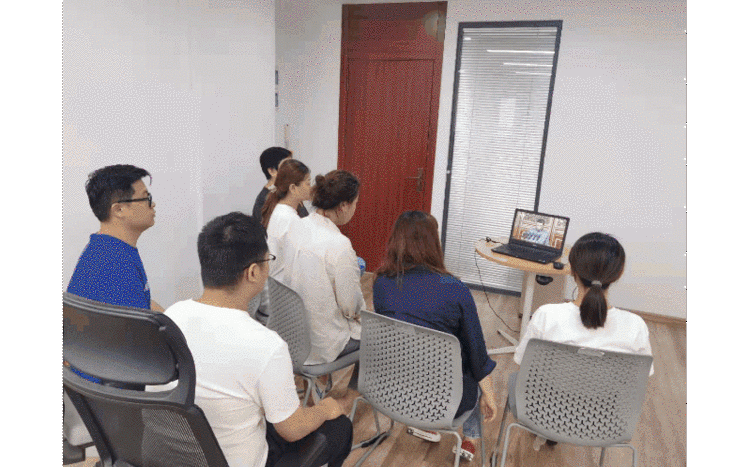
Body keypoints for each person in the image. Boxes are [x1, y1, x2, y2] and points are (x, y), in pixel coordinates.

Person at [162, 212, 353, 467]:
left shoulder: (171, 317)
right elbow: (291, 429)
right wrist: (324, 408)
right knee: (339, 427)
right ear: (253, 272)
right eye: (267, 260)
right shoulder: (266, 346)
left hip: (171, 456)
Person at [372, 211, 497, 460]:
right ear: (433, 243)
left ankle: (428, 425)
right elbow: (477, 354)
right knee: (471, 364)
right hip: (445, 401)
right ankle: (470, 437)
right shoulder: (456, 290)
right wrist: (490, 394)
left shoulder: (381, 283)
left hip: (393, 391)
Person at [512, 232, 653, 449]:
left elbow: (522, 364)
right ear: (619, 273)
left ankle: (550, 432)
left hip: (542, 412)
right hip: (604, 421)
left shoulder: (547, 315)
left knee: (515, 378)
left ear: (572, 270)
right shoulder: (635, 326)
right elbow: (641, 379)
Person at [284, 170, 364, 396]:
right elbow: (350, 307)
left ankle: (317, 387)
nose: (355, 209)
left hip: (291, 334)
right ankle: (347, 400)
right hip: (321, 343)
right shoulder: (339, 245)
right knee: (377, 337)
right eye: (356, 203)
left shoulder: (296, 227)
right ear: (343, 206)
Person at [67, 164, 163, 312]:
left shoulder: (105, 248)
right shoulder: (115, 267)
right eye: (146, 198)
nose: (153, 204)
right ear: (119, 210)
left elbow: (142, 303)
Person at [260, 158, 312, 283]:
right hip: (285, 286)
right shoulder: (290, 219)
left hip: (276, 282)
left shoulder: (279, 210)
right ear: (293, 188)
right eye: (308, 183)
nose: (311, 188)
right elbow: (299, 265)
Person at [252, 147, 308, 222]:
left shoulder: (288, 192)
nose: (293, 170)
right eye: (287, 166)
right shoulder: (264, 201)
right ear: (272, 171)